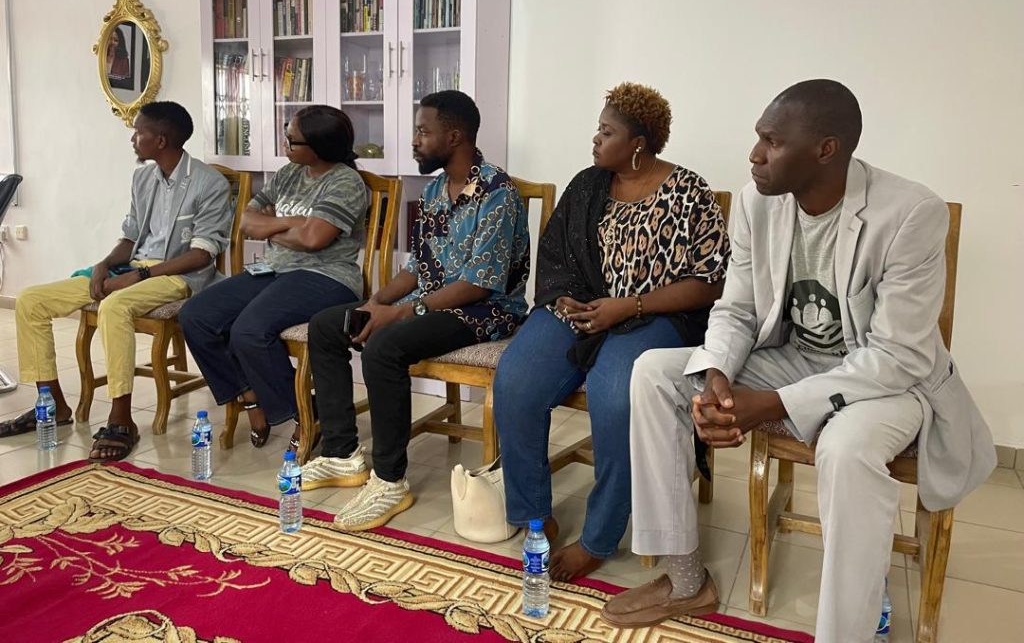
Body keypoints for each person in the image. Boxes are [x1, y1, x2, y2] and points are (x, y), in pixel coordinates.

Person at [601, 79, 996, 642]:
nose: (754, 154)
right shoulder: (755, 201)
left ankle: (849, 632)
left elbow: (898, 354)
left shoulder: (911, 213)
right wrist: (717, 374)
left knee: (846, 448)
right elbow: (737, 308)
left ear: (825, 150)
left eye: (771, 141)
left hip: (886, 379)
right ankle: (686, 581)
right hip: (794, 356)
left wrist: (772, 404)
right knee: (656, 373)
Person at [492, 82, 730, 581]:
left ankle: (598, 538)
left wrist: (630, 306)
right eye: (598, 129)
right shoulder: (587, 185)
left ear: (638, 143)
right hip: (585, 307)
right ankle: (533, 513)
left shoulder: (689, 192)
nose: (595, 139)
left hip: (655, 314)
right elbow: (556, 257)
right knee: (516, 378)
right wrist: (562, 297)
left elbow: (711, 281)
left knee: (616, 394)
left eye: (606, 131)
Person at [300, 90, 530, 531]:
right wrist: (377, 302)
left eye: (424, 131)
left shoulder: (498, 193)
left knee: (385, 346)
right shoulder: (433, 191)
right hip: (431, 302)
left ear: (455, 136)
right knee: (327, 325)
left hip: (485, 311)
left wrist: (401, 315)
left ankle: (390, 481)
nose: (415, 140)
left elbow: (479, 284)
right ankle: (341, 454)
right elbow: (417, 268)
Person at [0, 101, 232, 461]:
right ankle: (52, 404)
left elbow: (202, 255)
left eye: (139, 132)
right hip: (132, 269)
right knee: (32, 299)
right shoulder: (143, 178)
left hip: (179, 275)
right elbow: (131, 237)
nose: (133, 139)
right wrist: (104, 265)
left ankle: (121, 418)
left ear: (161, 140)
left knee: (114, 306)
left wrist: (140, 276)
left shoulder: (209, 183)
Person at [179, 105, 367, 449]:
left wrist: (274, 227)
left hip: (326, 277)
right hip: (274, 270)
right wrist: (292, 224)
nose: (285, 144)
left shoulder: (345, 181)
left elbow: (314, 240)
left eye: (292, 140)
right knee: (196, 315)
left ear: (318, 147)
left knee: (248, 330)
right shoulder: (288, 173)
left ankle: (305, 414)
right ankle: (251, 398)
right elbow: (247, 221)